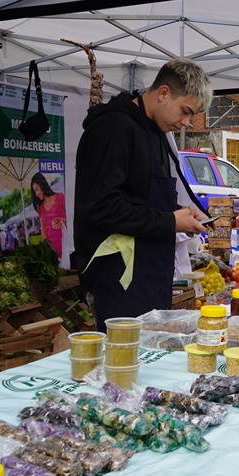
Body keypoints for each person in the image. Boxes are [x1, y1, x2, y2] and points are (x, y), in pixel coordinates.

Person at [73, 58, 210, 327]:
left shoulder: (156, 131)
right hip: (119, 280)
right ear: (163, 93)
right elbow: (100, 206)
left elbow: (142, 198)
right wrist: (171, 221)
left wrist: (179, 212)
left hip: (151, 275)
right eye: (185, 111)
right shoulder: (113, 128)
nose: (186, 122)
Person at [31, 172, 67, 258]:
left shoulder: (60, 197)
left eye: (36, 190)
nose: (36, 194)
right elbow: (44, 237)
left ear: (42, 185)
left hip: (67, 248)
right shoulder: (41, 210)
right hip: (53, 254)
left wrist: (63, 221)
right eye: (34, 191)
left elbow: (73, 218)